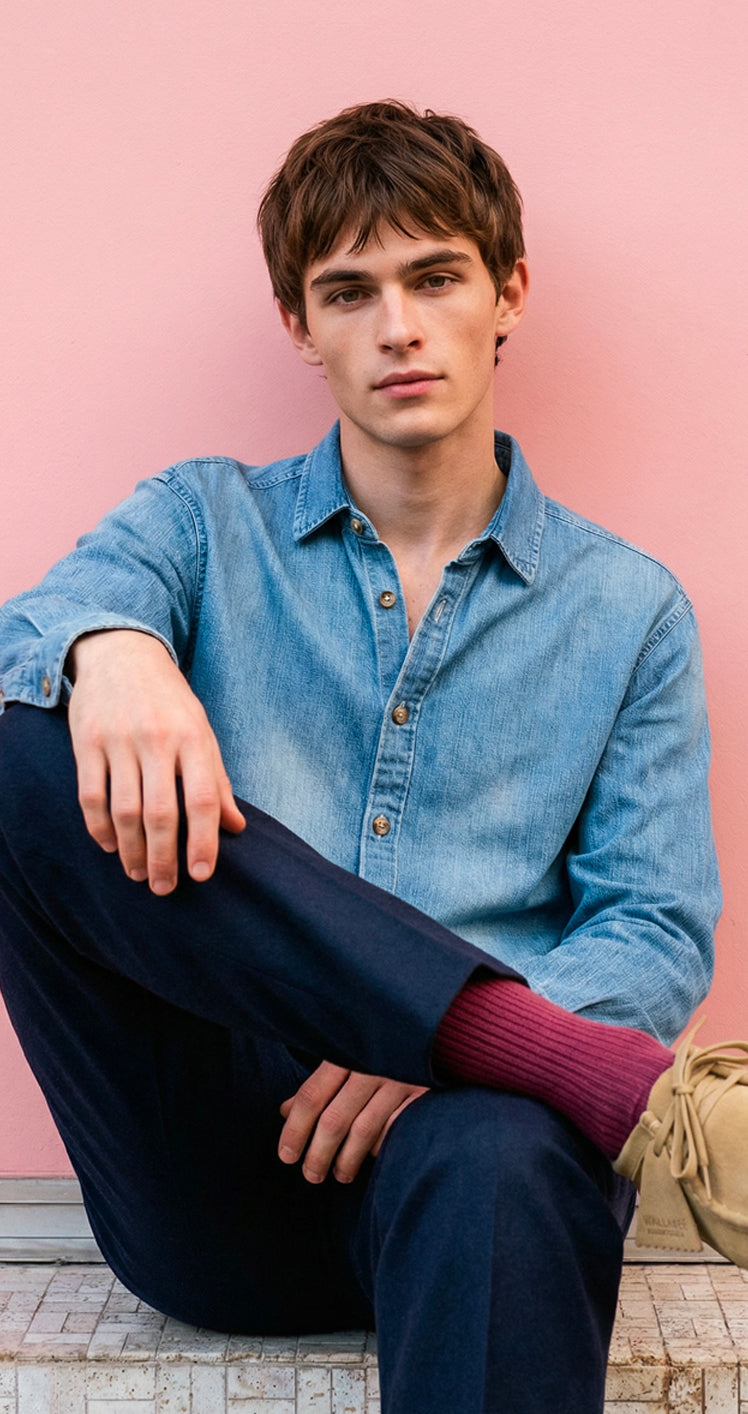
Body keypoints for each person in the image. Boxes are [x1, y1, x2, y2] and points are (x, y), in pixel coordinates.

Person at [0, 100, 746, 1414]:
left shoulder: (627, 609)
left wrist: (434, 1053)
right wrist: (108, 647)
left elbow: (655, 921)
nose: (397, 326)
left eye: (436, 277)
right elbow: (33, 644)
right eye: (349, 291)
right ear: (301, 324)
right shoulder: (201, 521)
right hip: (212, 1168)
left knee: (503, 1147)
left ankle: (498, 1047)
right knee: (15, 743)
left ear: (509, 293)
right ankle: (519, 1041)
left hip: (472, 1161)